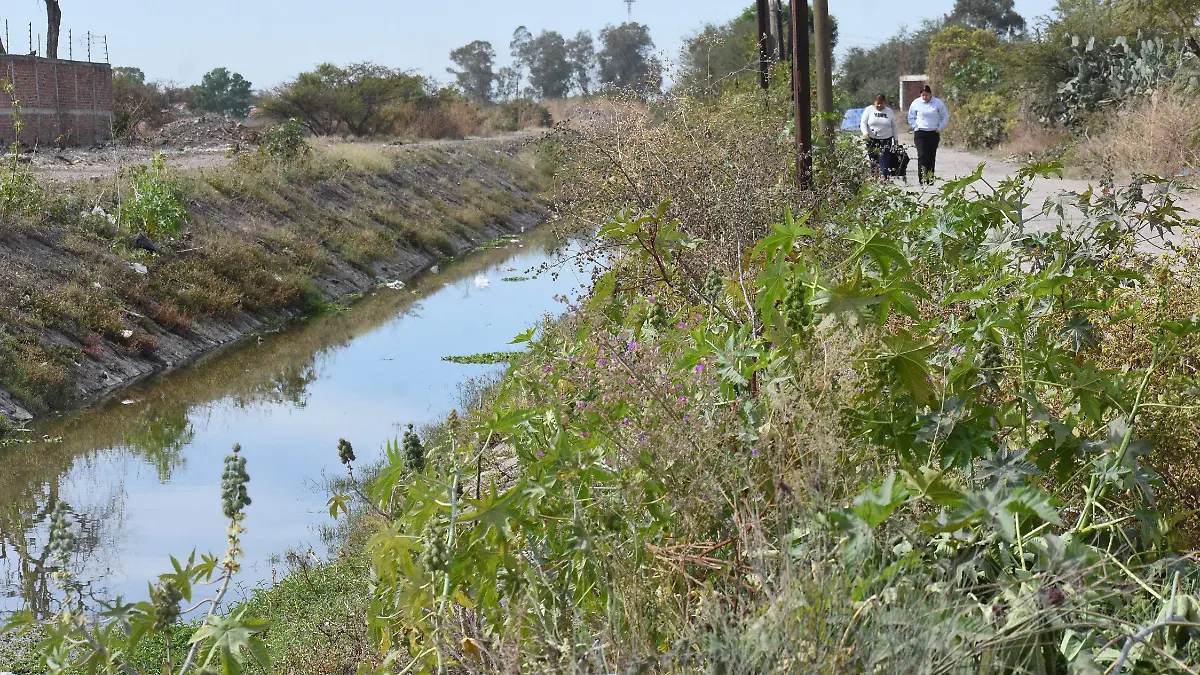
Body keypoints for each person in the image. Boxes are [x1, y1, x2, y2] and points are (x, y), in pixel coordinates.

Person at [906, 85, 950, 185]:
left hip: (933, 132)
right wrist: (915, 127)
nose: (924, 97)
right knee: (922, 155)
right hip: (920, 132)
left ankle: (930, 178)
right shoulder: (916, 103)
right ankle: (922, 178)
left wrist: (939, 128)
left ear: (930, 94)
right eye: (923, 95)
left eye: (926, 95)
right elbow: (911, 117)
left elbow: (945, 116)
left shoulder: (937, 103)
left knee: (931, 156)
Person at [860, 94, 898, 180]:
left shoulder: (889, 111)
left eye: (882, 103)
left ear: (885, 103)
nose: (880, 105)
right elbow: (863, 122)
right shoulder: (869, 110)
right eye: (878, 103)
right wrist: (865, 133)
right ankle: (874, 177)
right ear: (874, 102)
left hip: (886, 138)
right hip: (871, 139)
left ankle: (884, 176)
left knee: (884, 157)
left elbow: (894, 126)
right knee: (873, 159)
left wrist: (896, 139)